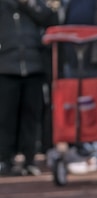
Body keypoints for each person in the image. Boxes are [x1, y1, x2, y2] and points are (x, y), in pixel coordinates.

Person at [0, 0, 60, 177]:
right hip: (5, 68)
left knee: (32, 116)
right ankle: (5, 159)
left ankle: (29, 159)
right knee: (5, 117)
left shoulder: (37, 5)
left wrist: (29, 4)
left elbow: (52, 19)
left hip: (35, 68)